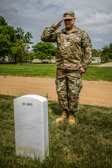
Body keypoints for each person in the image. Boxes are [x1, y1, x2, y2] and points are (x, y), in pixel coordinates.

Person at [41, 11, 92, 124]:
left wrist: (84, 66)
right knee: (61, 92)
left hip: (74, 69)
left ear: (74, 19)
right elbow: (44, 38)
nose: (67, 21)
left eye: (69, 19)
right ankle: (64, 112)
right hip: (61, 68)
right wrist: (54, 27)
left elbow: (88, 51)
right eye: (65, 20)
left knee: (73, 93)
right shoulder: (59, 33)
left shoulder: (81, 33)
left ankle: (72, 114)